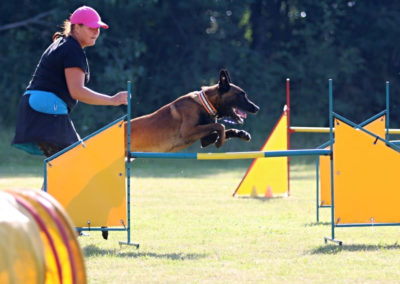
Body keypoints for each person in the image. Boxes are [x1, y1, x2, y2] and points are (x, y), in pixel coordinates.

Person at [12, 5, 128, 157]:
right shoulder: (72, 50)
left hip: (36, 105)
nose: (96, 32)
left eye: (98, 28)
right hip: (46, 106)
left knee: (64, 165)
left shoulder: (63, 44)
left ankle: (51, 182)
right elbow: (77, 91)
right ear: (77, 27)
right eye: (91, 28)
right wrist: (113, 100)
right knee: (75, 160)